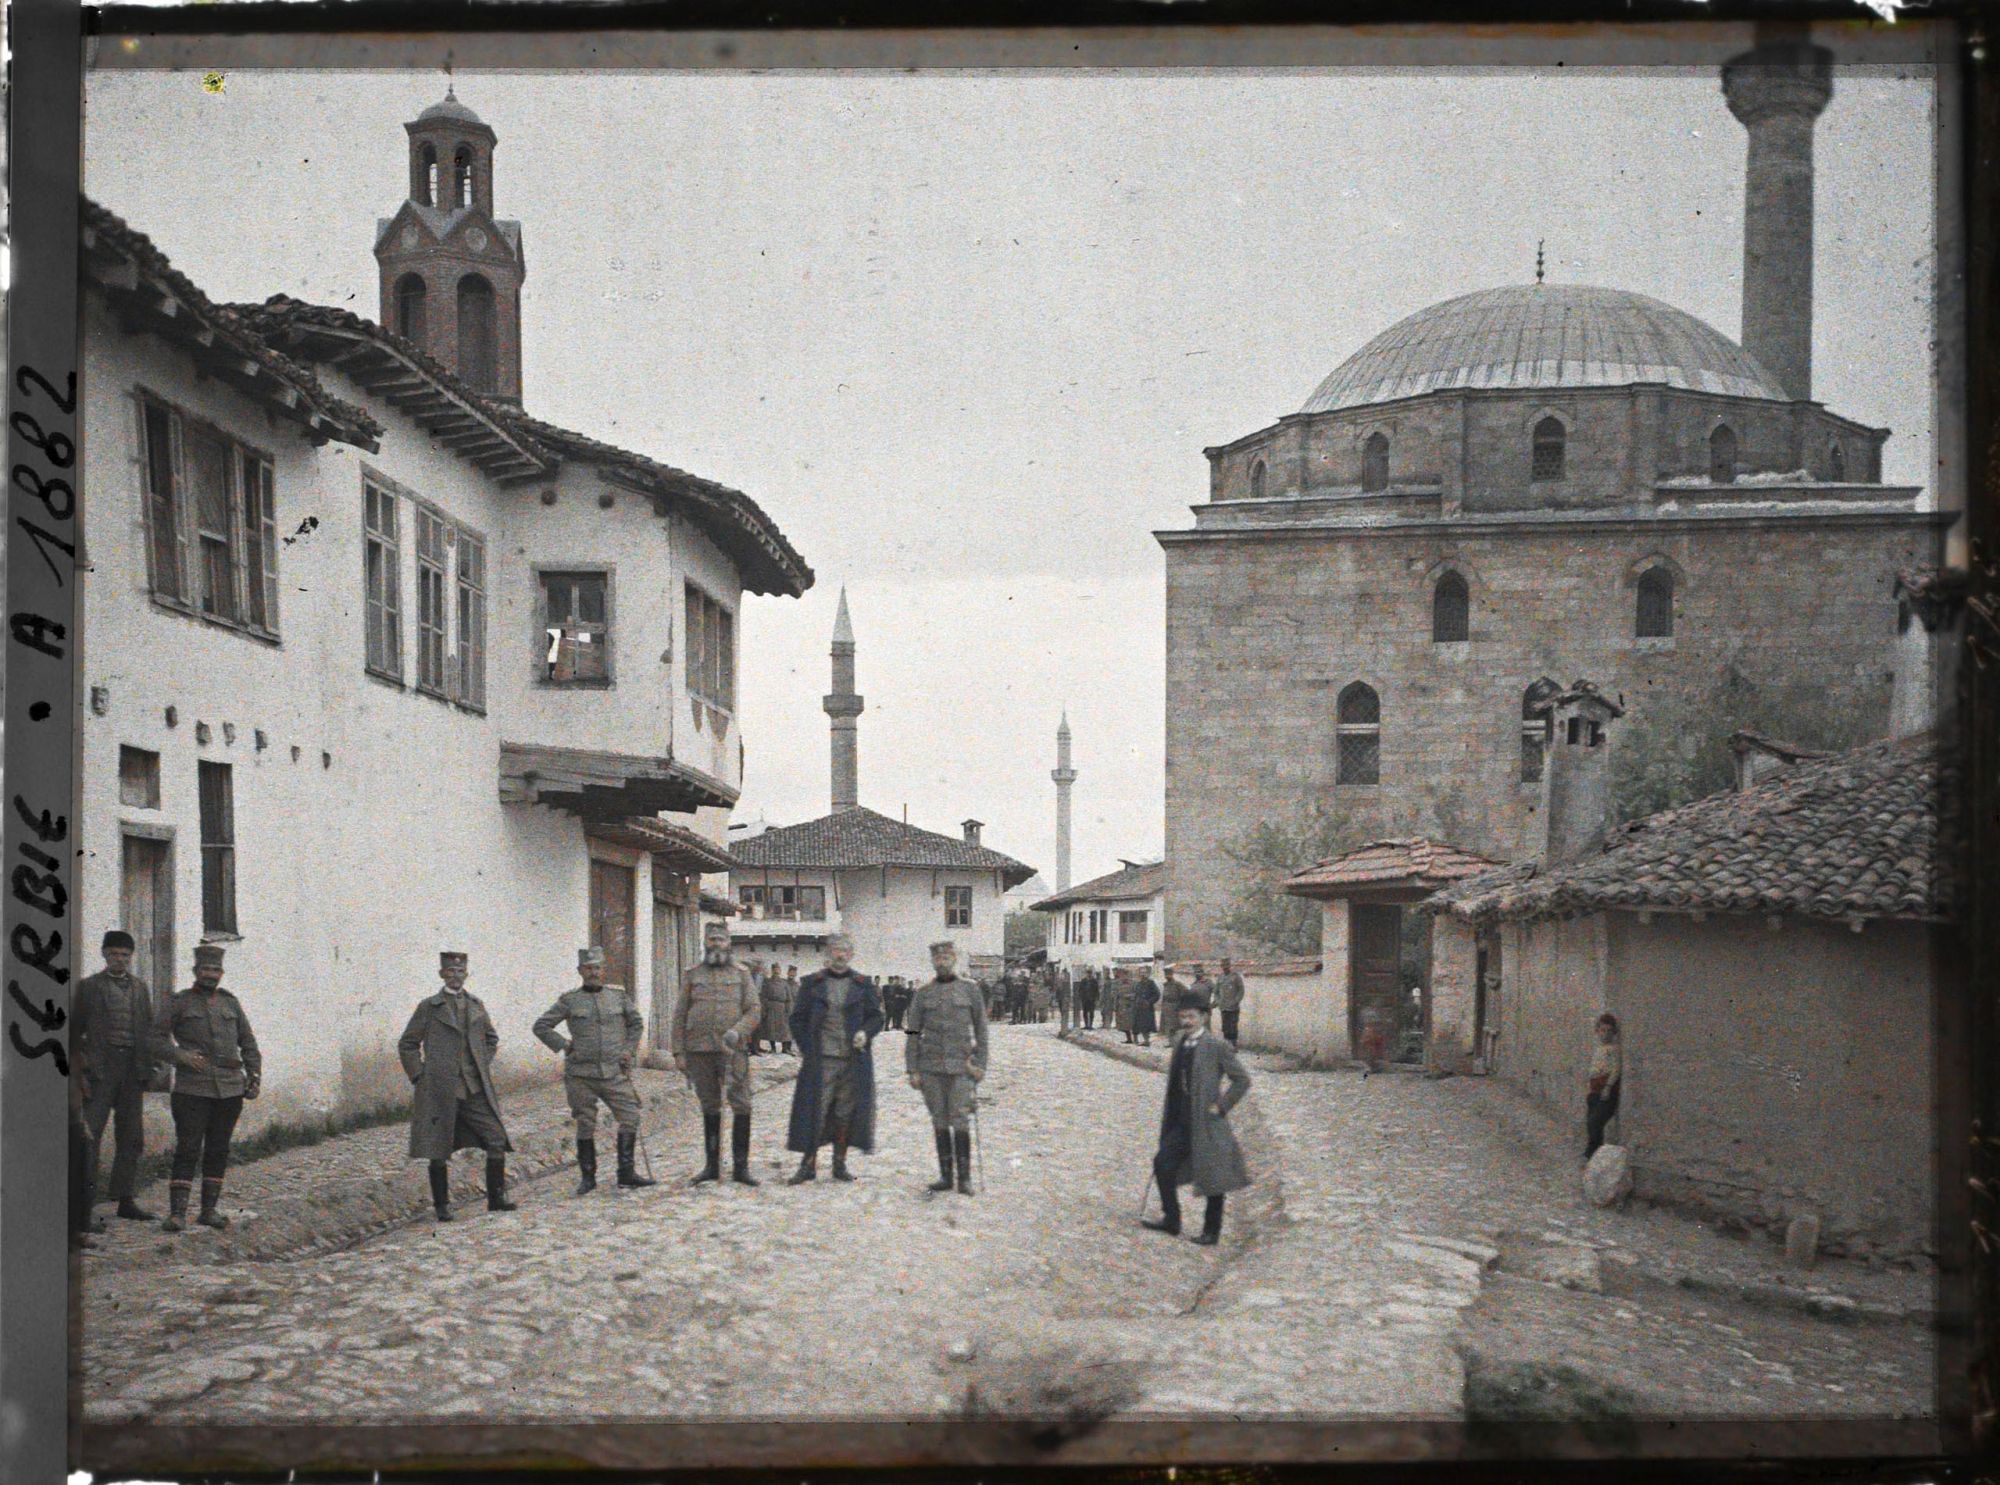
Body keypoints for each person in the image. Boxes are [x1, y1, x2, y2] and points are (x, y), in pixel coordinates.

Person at [397, 951, 516, 1222]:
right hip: (439, 1090)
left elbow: (491, 1039)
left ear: (466, 974)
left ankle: (496, 1199)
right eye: (450, 972)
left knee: (496, 1137)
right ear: (442, 974)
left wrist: (479, 1064)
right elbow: (407, 1044)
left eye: (460, 972)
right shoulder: (429, 1007)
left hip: (474, 1089)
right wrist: (419, 1076)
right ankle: (442, 1206)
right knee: (438, 1149)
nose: (455, 976)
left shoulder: (476, 1005)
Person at [151, 943, 261, 1233]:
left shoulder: (230, 1003)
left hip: (229, 1088)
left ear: (221, 973)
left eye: (215, 970)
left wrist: (255, 1075)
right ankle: (177, 1214)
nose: (210, 975)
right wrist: (180, 1056)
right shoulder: (179, 1002)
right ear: (195, 971)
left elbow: (248, 1042)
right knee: (188, 1148)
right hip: (192, 1088)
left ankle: (208, 1211)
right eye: (205, 969)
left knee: (218, 1149)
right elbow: (155, 1039)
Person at [534, 948, 655, 1194]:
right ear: (580, 971)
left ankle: (626, 1173)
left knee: (630, 1117)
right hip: (581, 1075)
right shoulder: (570, 1000)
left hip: (614, 1073)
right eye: (588, 968)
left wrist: (629, 1050)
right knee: (586, 1123)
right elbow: (541, 1026)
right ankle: (588, 1178)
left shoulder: (618, 997)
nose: (593, 972)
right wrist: (564, 1045)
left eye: (597, 967)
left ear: (604, 970)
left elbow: (636, 1024)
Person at [1141, 985, 1252, 1246]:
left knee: (1215, 1177)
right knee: (1163, 1163)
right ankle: (1172, 1219)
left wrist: (1222, 1106)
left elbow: (1242, 1080)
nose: (1186, 1022)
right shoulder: (1180, 1041)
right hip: (1181, 1119)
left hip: (1208, 1120)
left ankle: (1211, 1231)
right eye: (1183, 1017)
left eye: (1191, 1017)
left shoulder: (1217, 1046)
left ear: (1204, 1017)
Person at [75, 929, 162, 1227]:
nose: (120, 960)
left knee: (131, 1137)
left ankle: (125, 1200)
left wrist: (148, 1068)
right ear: (103, 955)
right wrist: (80, 1075)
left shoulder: (140, 988)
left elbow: (147, 1031)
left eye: (125, 955)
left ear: (131, 957)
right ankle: (82, 1213)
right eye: (114, 954)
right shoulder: (88, 987)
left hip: (131, 1070)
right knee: (89, 1139)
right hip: (99, 1071)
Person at [785, 934, 883, 1184]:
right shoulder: (812, 984)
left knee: (845, 1111)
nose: (839, 956)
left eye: (844, 951)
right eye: (835, 951)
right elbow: (797, 1019)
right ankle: (808, 1165)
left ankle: (839, 1164)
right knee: (815, 1109)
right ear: (827, 955)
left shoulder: (863, 985)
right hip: (821, 1060)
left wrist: (865, 1033)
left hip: (853, 1061)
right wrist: (809, 1048)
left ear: (851, 955)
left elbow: (876, 1017)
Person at [674, 922, 763, 1185]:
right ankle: (712, 1167)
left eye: (721, 940)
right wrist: (679, 1051)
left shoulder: (741, 974)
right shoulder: (692, 975)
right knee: (709, 1106)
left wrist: (738, 1031)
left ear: (729, 944)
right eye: (711, 939)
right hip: (700, 1050)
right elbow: (680, 1014)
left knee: (742, 1104)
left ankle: (741, 1168)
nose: (716, 944)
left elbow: (754, 1009)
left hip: (732, 1052)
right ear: (705, 943)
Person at [904, 940, 989, 1196]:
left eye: (947, 958)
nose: (942, 962)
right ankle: (945, 1176)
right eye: (938, 959)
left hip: (962, 1067)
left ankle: (964, 1178)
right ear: (932, 962)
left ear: (955, 959)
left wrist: (980, 1065)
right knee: (939, 1119)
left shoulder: (970, 991)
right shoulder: (923, 994)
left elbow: (982, 1030)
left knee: (960, 1118)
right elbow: (912, 1033)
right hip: (931, 1068)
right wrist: (913, 1069)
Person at [1585, 1013, 1623, 1160]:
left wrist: (1608, 1087)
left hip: (1605, 1090)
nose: (1605, 1034)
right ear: (1597, 1031)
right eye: (1602, 1030)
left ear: (1613, 1032)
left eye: (1609, 1031)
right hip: (1595, 1089)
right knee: (1591, 1123)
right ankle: (1595, 1154)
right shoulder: (1599, 1049)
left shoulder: (1613, 1050)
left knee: (1595, 1122)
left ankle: (1592, 1153)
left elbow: (1616, 1069)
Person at [758, 954, 791, 1055]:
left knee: (784, 1029)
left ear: (780, 971)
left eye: (778, 969)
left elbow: (789, 997)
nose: (776, 970)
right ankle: (773, 1048)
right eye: (775, 969)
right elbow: (763, 996)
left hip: (782, 1007)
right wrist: (764, 1008)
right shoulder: (767, 982)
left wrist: (788, 1009)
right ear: (772, 970)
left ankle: (784, 1049)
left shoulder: (784, 983)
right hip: (771, 1007)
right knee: (771, 1028)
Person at [1214, 958, 1246, 1046]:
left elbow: (1241, 990)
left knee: (1233, 1026)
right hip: (1223, 1007)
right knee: (1225, 1027)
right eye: (1223, 966)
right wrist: (1218, 1001)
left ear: (1229, 966)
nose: (1225, 968)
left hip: (1233, 1007)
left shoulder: (1235, 977)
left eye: (1227, 966)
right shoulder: (1220, 977)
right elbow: (1216, 991)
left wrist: (1236, 1001)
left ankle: (1233, 1044)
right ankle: (1226, 1044)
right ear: (1221, 967)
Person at [1132, 965, 1161, 1047]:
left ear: (1147, 974)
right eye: (1141, 973)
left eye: (1144, 973)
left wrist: (1149, 1002)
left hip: (1147, 1008)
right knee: (1136, 1024)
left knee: (1146, 1025)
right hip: (1138, 1007)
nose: (1143, 975)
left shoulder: (1151, 983)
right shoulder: (1138, 984)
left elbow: (1157, 994)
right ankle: (1135, 1040)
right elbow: (1136, 994)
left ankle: (1146, 1040)